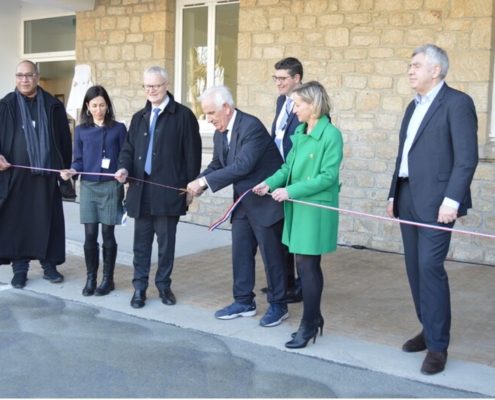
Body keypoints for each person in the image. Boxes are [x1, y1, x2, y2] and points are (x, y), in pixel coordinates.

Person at [386, 44, 478, 375]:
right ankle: (428, 328)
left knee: (430, 267)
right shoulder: (413, 107)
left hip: (438, 202)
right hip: (408, 196)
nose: (410, 70)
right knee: (414, 268)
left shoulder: (457, 103)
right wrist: (392, 192)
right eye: (410, 65)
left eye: (416, 65)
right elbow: (404, 153)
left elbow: (466, 157)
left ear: (436, 70)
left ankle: (438, 346)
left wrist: (452, 200)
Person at [187, 85, 288, 328]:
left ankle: (279, 305)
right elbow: (217, 164)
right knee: (241, 253)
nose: (208, 119)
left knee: (272, 257)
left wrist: (204, 182)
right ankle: (243, 301)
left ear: (226, 107)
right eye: (205, 114)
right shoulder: (221, 132)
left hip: (266, 204)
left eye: (211, 113)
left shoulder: (251, 126)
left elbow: (242, 165)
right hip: (242, 203)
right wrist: (198, 184)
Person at [253, 81, 343, 348]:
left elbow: (328, 177)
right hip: (298, 206)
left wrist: (290, 191)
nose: (293, 110)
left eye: (298, 104)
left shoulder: (331, 134)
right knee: (305, 266)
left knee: (307, 265)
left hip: (314, 209)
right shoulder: (302, 132)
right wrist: (269, 183)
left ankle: (309, 324)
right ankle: (314, 320)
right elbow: (287, 168)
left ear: (313, 105)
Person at [115, 66, 202, 309]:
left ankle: (163, 285)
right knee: (140, 246)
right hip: (140, 193)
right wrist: (124, 168)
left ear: (166, 85)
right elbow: (128, 150)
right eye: (147, 86)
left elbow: (192, 157)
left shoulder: (184, 116)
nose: (151, 90)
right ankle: (139, 289)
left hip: (168, 193)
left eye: (156, 85)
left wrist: (188, 189)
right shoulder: (138, 117)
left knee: (166, 246)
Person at [0, 60, 72, 288]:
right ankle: (19, 269)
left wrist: (65, 167)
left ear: (37, 77)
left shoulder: (53, 106)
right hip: (14, 177)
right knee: (17, 221)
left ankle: (49, 266)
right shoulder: (6, 105)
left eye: (29, 75)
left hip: (46, 177)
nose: (24, 79)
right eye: (20, 75)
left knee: (47, 219)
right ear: (16, 78)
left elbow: (63, 140)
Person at [60, 85, 127, 297]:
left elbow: (125, 156)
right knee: (90, 235)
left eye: (102, 105)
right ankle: (91, 278)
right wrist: (72, 170)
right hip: (88, 187)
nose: (98, 109)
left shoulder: (118, 128)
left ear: (108, 106)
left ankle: (108, 279)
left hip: (110, 186)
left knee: (108, 233)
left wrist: (124, 170)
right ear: (87, 107)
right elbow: (78, 160)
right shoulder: (81, 131)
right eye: (94, 105)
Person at [269, 56, 304, 304]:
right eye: (276, 78)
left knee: (299, 233)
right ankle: (285, 282)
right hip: (279, 172)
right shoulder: (281, 100)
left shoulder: (308, 102)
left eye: (283, 79)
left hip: (298, 177)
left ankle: (302, 285)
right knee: (282, 230)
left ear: (297, 79)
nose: (278, 83)